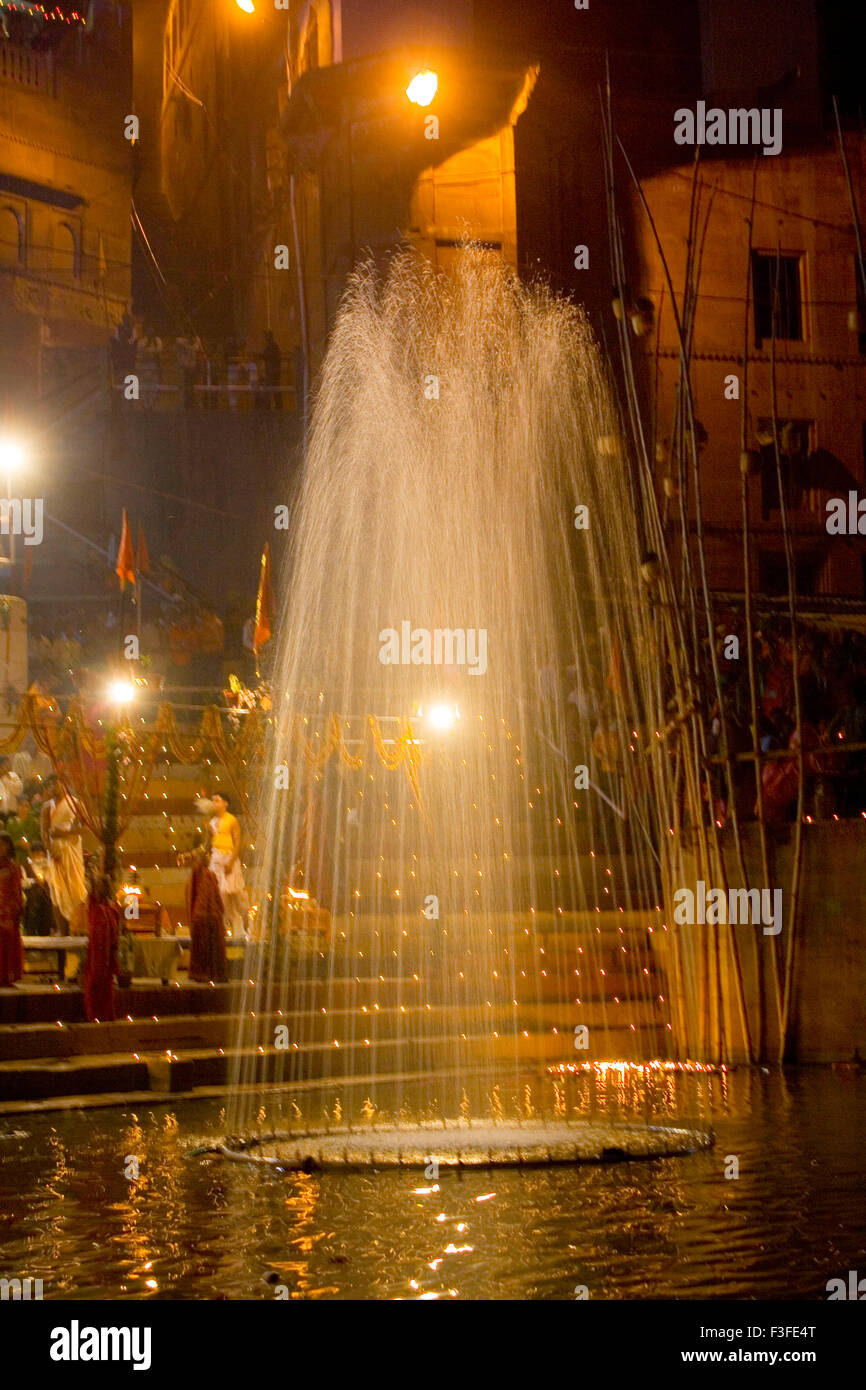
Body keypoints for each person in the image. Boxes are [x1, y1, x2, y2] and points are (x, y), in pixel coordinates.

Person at [40, 776, 88, 933]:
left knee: (75, 889)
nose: (52, 787)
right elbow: (44, 832)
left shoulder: (75, 803)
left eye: (55, 784)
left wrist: (65, 833)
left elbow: (85, 828)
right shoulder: (47, 807)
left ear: (63, 784)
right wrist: (49, 849)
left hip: (72, 849)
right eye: (49, 785)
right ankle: (62, 932)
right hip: (55, 852)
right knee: (57, 890)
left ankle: (77, 929)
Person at [207, 791, 247, 938]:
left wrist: (231, 862)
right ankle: (222, 928)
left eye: (217, 800)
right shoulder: (211, 823)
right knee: (219, 895)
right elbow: (208, 845)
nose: (214, 803)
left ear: (225, 803)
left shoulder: (232, 820)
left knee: (233, 893)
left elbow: (237, 843)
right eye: (213, 801)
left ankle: (239, 925)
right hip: (216, 860)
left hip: (228, 858)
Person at [185, 846, 227, 982]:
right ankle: (211, 974)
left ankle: (203, 974)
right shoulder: (205, 874)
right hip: (207, 916)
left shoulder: (202, 875)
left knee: (204, 947)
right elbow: (214, 897)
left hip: (204, 916)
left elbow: (191, 896)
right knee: (209, 947)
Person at [83, 873, 120, 1022]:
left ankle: (97, 1016)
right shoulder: (106, 909)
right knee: (102, 990)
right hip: (100, 958)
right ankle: (101, 1016)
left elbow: (108, 937)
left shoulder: (104, 911)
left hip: (101, 959)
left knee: (97, 990)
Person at [0, 831, 23, 988]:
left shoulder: (13, 866)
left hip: (7, 913)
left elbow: (16, 890)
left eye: (3, 845)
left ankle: (6, 976)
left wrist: (15, 909)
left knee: (7, 946)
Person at [7, 795, 41, 864]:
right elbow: (7, 841)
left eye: (26, 806)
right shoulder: (11, 822)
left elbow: (37, 838)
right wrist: (18, 843)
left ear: (30, 808)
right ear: (17, 807)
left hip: (30, 856)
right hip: (15, 858)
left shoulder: (34, 822)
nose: (23, 808)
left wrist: (30, 844)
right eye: (21, 805)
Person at [262, 330, 281, 410]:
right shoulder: (273, 347)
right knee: (274, 390)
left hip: (272, 371)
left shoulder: (272, 347)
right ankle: (277, 406)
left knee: (271, 390)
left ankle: (272, 406)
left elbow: (267, 356)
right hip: (273, 371)